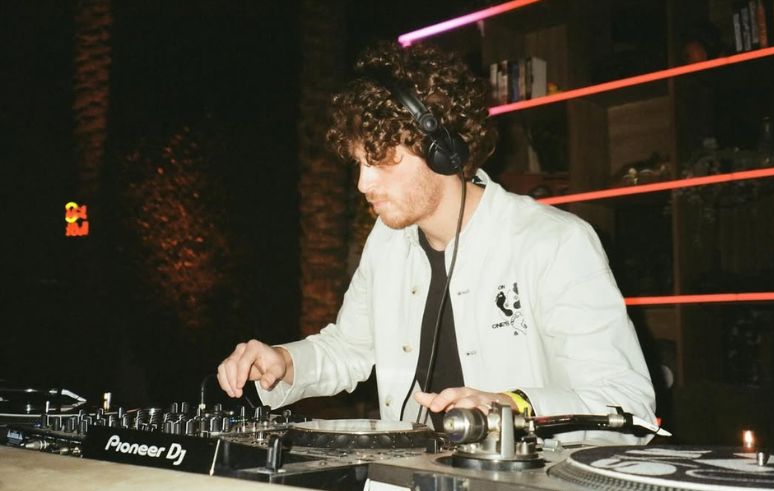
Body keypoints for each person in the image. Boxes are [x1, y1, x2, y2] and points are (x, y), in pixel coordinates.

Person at [218, 42, 656, 443]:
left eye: (382, 161)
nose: (363, 183)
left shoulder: (555, 243)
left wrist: (513, 407)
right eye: (358, 163)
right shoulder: (387, 242)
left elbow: (629, 408)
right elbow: (350, 347)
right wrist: (284, 362)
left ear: (442, 150)